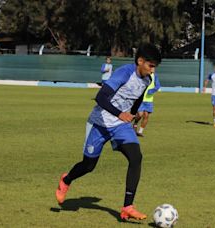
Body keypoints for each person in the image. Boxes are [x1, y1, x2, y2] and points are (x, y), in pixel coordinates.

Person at [56, 43, 162, 220]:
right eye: (150, 66)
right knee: (88, 166)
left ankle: (127, 206)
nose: (152, 71)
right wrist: (120, 113)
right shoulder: (124, 73)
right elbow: (100, 97)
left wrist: (133, 114)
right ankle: (66, 180)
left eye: (154, 67)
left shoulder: (147, 80)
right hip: (99, 123)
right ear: (140, 61)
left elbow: (137, 100)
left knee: (136, 157)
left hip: (120, 126)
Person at [133, 72, 161, 137]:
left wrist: (152, 90)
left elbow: (158, 85)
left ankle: (140, 132)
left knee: (146, 116)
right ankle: (135, 123)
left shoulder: (154, 75)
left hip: (149, 100)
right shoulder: (142, 74)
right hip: (140, 99)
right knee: (139, 115)